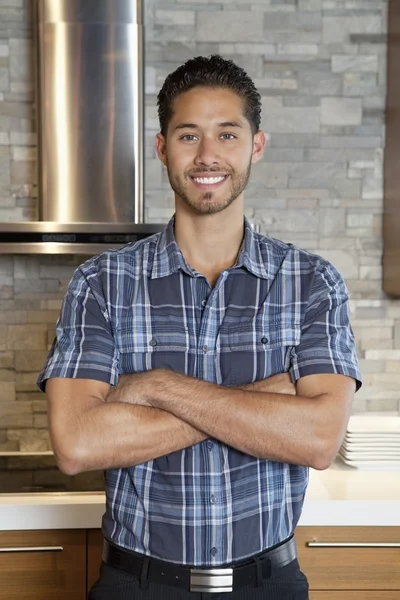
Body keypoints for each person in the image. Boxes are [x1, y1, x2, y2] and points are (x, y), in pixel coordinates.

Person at [37, 54, 362, 600]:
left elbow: (319, 439)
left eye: (227, 134)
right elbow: (76, 444)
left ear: (256, 145)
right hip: (136, 585)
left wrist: (157, 388)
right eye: (189, 136)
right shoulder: (100, 284)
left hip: (268, 585)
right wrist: (267, 401)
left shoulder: (312, 282)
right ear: (162, 148)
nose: (208, 156)